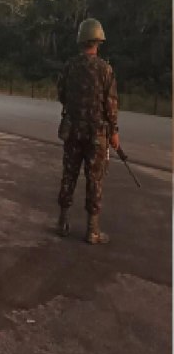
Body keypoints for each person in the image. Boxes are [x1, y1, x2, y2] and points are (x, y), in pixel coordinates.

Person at [56, 18, 119, 244]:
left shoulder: (70, 66)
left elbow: (61, 94)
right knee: (95, 180)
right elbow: (110, 105)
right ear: (98, 41)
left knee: (69, 176)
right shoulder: (105, 69)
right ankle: (92, 231)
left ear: (81, 40)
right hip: (96, 134)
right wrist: (114, 132)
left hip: (73, 131)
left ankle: (62, 222)